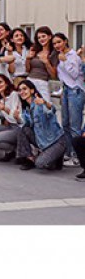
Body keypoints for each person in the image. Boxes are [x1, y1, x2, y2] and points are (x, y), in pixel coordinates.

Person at [15, 80, 65, 171]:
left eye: (24, 89)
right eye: (20, 90)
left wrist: (45, 103)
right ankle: (29, 158)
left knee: (40, 164)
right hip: (43, 142)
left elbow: (52, 111)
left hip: (56, 141)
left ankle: (57, 156)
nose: (22, 92)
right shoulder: (26, 109)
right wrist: (17, 118)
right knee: (22, 129)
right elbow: (26, 126)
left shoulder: (40, 103)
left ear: (32, 90)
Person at [52, 32, 85, 167]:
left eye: (59, 42)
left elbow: (75, 74)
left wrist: (65, 61)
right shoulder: (60, 55)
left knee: (74, 125)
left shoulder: (73, 56)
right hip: (66, 90)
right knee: (65, 123)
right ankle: (68, 152)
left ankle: (77, 156)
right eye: (54, 43)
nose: (57, 45)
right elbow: (62, 76)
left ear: (65, 41)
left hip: (75, 90)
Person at [25, 26, 58, 103]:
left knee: (46, 105)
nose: (41, 39)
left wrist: (46, 62)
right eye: (39, 38)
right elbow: (27, 70)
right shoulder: (35, 50)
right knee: (29, 105)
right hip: (29, 80)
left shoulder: (53, 53)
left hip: (42, 82)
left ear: (49, 36)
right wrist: (28, 59)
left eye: (43, 36)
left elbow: (54, 75)